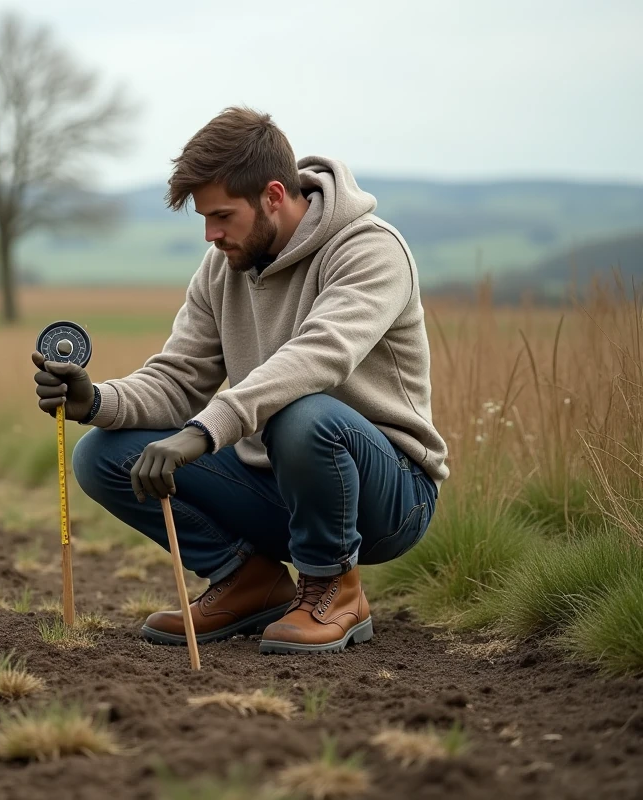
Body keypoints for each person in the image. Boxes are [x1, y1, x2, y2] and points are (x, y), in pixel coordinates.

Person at [31, 107, 448, 655]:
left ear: (273, 195)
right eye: (204, 219)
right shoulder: (221, 266)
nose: (212, 234)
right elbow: (180, 378)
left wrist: (204, 430)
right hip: (275, 484)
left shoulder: (370, 250)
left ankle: (335, 588)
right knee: (102, 455)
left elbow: (317, 358)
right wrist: (97, 399)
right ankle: (249, 580)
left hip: (387, 496)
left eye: (223, 216)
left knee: (304, 413)